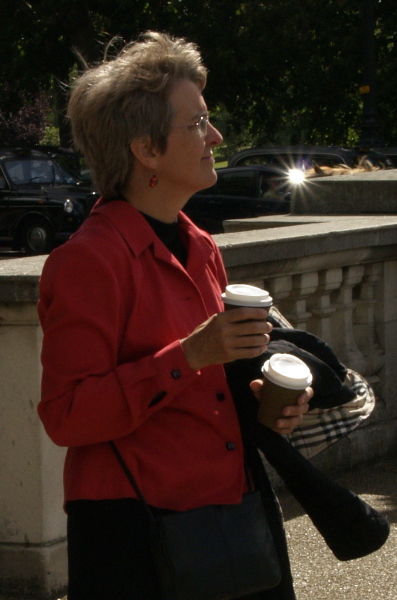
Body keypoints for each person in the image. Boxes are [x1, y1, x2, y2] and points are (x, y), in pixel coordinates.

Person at [37, 31, 312, 600]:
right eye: (197, 124)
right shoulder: (87, 261)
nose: (214, 136)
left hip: (229, 513)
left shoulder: (200, 245)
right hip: (134, 533)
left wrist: (266, 402)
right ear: (146, 149)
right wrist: (189, 355)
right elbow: (65, 417)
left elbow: (211, 386)